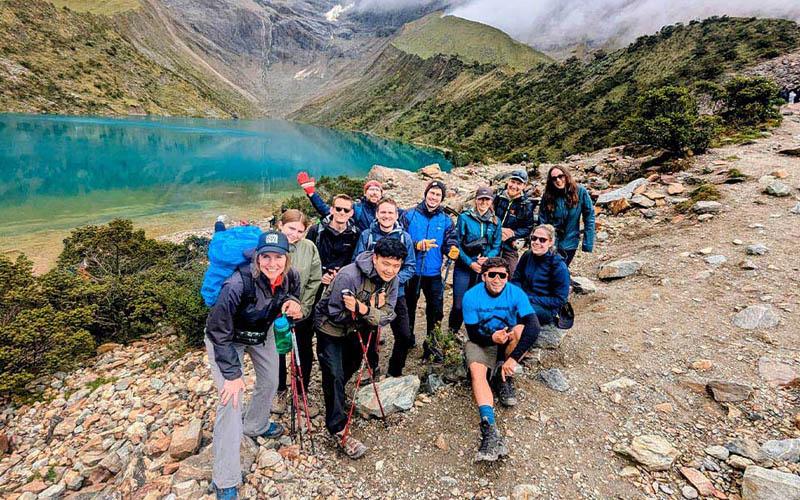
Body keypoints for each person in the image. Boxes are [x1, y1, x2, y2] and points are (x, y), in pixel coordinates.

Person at [204, 230, 303, 499]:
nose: (272, 263)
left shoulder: (291, 276)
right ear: (257, 258)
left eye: (278, 257)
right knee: (231, 401)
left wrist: (294, 306)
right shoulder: (236, 285)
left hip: (261, 332)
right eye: (266, 257)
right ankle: (225, 479)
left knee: (271, 381)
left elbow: (292, 297)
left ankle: (256, 425)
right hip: (227, 339)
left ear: (287, 259)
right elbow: (217, 331)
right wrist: (233, 374)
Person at [314, 238, 407, 458]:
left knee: (354, 363)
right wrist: (372, 309)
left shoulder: (392, 280)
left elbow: (388, 315)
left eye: (396, 266)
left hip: (359, 325)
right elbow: (334, 312)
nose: (390, 270)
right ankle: (337, 428)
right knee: (333, 372)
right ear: (375, 258)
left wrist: (365, 308)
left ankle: (334, 394)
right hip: (331, 328)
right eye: (386, 263)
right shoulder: (349, 275)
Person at [462, 257, 540, 462]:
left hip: (506, 342)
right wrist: (491, 338)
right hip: (483, 341)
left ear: (508, 277)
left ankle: (503, 376)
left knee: (521, 329)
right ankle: (489, 426)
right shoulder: (471, 296)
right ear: (483, 276)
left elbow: (534, 326)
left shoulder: (516, 293)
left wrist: (513, 359)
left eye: (502, 275)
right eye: (492, 275)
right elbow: (472, 334)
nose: (497, 279)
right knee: (477, 373)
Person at [353, 197, 416, 377]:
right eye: (383, 212)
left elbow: (410, 265)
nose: (386, 216)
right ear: (377, 214)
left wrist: (391, 281)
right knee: (369, 334)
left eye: (390, 212)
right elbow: (358, 261)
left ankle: (395, 371)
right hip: (369, 293)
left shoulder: (405, 237)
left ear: (397, 215)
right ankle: (372, 368)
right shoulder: (367, 235)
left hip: (397, 293)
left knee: (404, 334)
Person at [402, 180, 458, 361]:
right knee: (408, 306)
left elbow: (450, 240)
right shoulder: (409, 215)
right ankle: (407, 339)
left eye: (438, 195)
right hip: (411, 271)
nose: (434, 197)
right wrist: (416, 245)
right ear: (426, 193)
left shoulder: (446, 220)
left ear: (441, 198)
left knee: (435, 310)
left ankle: (431, 345)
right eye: (431, 193)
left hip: (433, 272)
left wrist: (452, 249)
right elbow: (399, 239)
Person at [274, 210, 322, 406]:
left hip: (301, 310)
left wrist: (304, 307)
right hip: (275, 312)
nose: (295, 234)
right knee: (276, 352)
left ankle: (301, 388)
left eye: (300, 231)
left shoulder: (309, 247)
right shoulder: (271, 246)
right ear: (280, 225)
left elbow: (314, 279)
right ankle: (279, 388)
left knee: (303, 350)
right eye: (291, 228)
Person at [448, 186, 503, 337]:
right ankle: (452, 332)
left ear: (491, 201)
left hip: (484, 268)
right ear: (476, 200)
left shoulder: (495, 221)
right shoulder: (465, 218)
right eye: (481, 199)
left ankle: (474, 333)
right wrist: (470, 262)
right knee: (459, 305)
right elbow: (457, 243)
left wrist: (487, 259)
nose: (484, 202)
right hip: (465, 265)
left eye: (487, 199)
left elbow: (496, 245)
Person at [511, 225, 571, 326]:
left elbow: (560, 300)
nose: (537, 242)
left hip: (545, 308)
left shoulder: (559, 266)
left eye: (542, 240)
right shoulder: (527, 255)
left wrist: (529, 298)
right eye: (534, 238)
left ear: (551, 242)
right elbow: (516, 278)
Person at [537, 165, 595, 266]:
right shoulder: (548, 195)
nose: (558, 180)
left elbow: (589, 217)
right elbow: (542, 220)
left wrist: (587, 243)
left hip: (570, 241)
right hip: (550, 242)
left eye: (561, 176)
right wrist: (541, 241)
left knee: (559, 268)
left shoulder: (580, 192)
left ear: (566, 176)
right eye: (554, 179)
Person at [297, 172, 386, 231]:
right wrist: (312, 194)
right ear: (365, 193)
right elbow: (328, 212)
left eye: (377, 190)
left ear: (381, 194)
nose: (374, 193)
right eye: (371, 189)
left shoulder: (388, 211)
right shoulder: (357, 208)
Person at [306, 194, 360, 286]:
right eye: (338, 209)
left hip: (342, 281)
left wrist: (340, 275)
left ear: (351, 213)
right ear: (331, 210)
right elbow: (307, 257)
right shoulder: (316, 230)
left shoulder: (356, 234)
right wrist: (320, 275)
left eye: (346, 210)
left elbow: (354, 259)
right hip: (315, 280)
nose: (342, 212)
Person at [493, 169, 536, 276]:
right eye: (512, 182)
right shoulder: (497, 197)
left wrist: (513, 233)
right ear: (508, 181)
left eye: (519, 183)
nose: (514, 186)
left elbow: (528, 228)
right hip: (491, 241)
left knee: (512, 274)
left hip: (509, 245)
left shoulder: (526, 205)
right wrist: (499, 230)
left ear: (524, 186)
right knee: (488, 271)